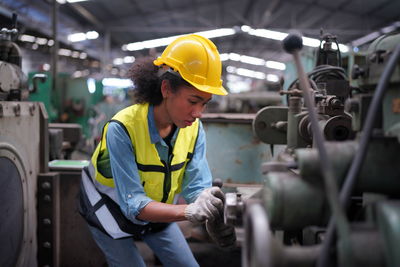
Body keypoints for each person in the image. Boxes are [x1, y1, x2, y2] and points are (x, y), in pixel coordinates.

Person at [78, 34, 236, 267]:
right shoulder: (122, 128)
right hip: (109, 208)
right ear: (166, 89)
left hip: (156, 210)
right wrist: (189, 211)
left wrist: (207, 203)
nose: (199, 112)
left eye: (205, 103)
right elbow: (134, 205)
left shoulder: (193, 129)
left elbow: (195, 187)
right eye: (193, 101)